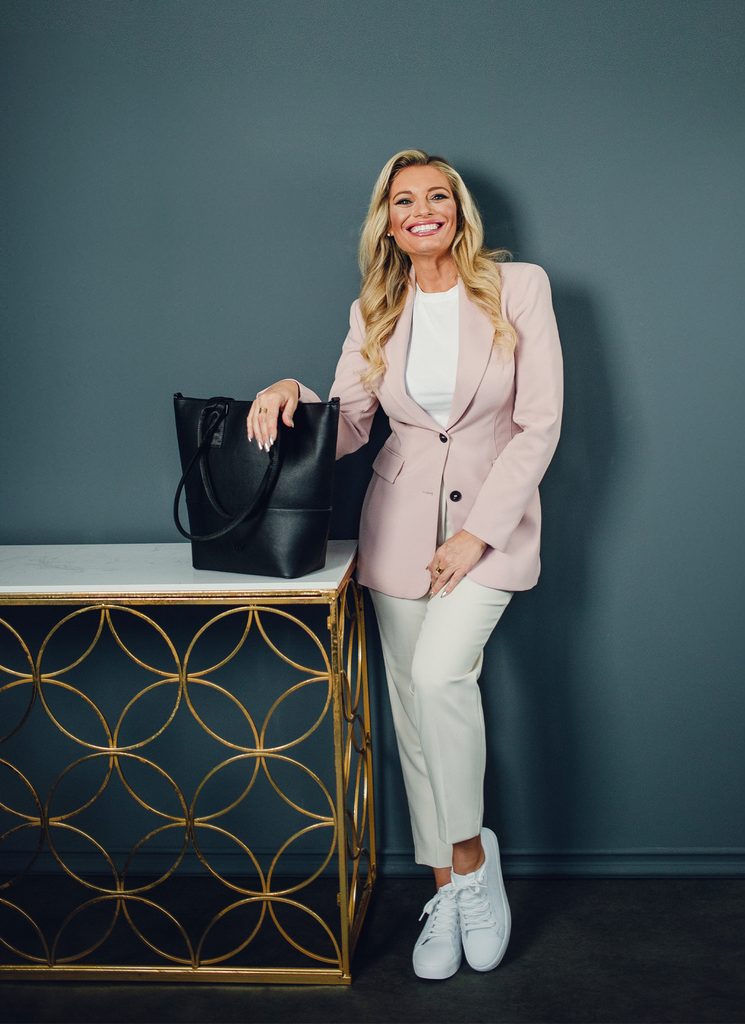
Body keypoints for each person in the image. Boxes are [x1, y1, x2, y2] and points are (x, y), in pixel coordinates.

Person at [247, 149, 563, 980]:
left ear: (458, 210)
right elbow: (350, 423)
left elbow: (539, 425)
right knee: (413, 718)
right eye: (403, 201)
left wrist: (478, 534)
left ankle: (472, 863)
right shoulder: (375, 309)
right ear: (387, 223)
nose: (422, 210)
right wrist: (292, 394)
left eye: (436, 196)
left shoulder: (518, 287)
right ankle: (446, 892)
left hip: (487, 534)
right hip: (396, 533)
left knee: (438, 678)